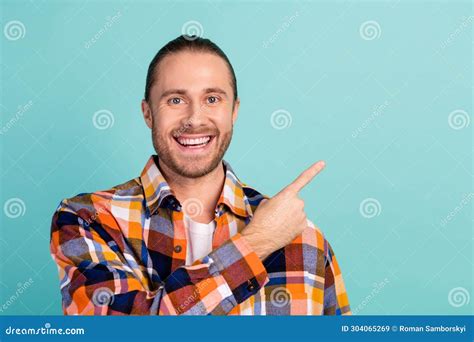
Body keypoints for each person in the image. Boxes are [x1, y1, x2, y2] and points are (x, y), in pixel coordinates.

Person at [50, 35, 351, 315]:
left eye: (212, 99)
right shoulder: (88, 219)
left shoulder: (304, 239)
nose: (194, 119)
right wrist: (255, 243)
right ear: (148, 113)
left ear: (234, 111)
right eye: (176, 100)